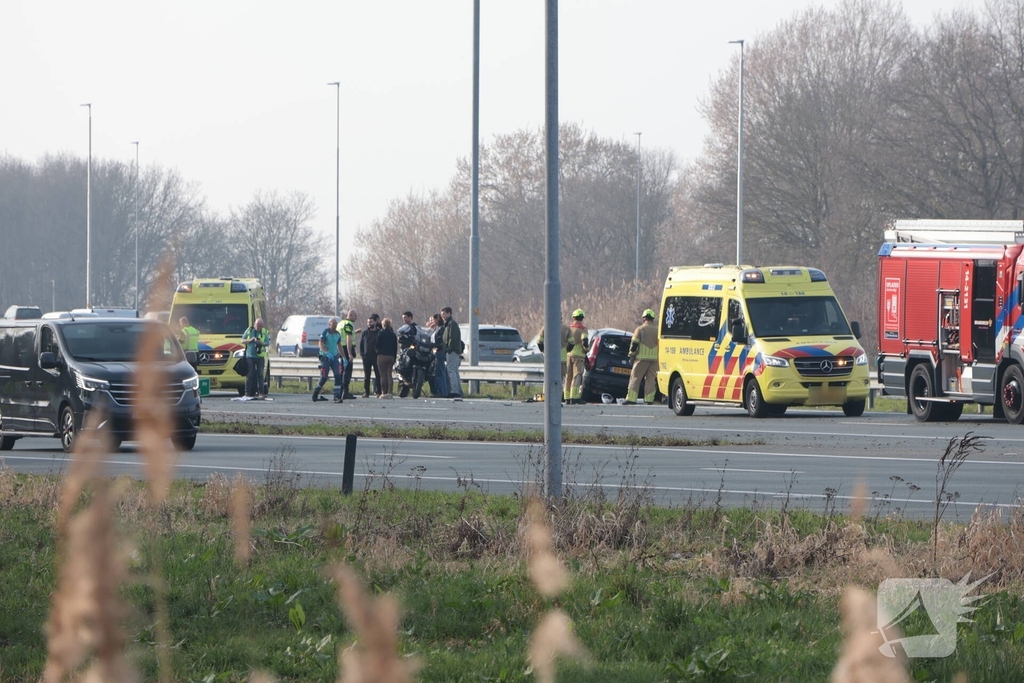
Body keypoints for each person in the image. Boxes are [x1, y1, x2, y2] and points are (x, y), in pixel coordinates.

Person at [624, 308, 659, 405]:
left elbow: (634, 344)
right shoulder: (657, 330)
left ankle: (631, 398)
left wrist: (631, 355)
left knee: (635, 378)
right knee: (651, 380)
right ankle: (649, 400)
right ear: (653, 319)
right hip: (654, 359)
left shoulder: (639, 329)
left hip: (641, 359)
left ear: (644, 318)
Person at [312, 317, 346, 403]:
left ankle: (336, 396)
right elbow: (320, 344)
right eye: (333, 323)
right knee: (324, 377)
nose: (335, 325)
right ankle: (315, 394)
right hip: (325, 357)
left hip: (334, 357)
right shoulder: (326, 332)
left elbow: (339, 346)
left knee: (338, 375)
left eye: (336, 323)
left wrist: (344, 357)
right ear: (329, 324)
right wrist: (326, 352)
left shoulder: (337, 334)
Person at [240, 318, 270, 399]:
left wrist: (260, 343)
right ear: (254, 324)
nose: (259, 328)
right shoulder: (249, 330)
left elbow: (267, 343)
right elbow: (242, 340)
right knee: (249, 374)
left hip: (260, 356)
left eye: (261, 326)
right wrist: (250, 340)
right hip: (250, 356)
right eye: (258, 326)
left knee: (260, 375)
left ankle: (261, 392)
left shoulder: (264, 332)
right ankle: (247, 393)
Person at [565, 308, 589, 404]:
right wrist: (586, 350)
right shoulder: (583, 329)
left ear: (573, 317)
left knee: (568, 376)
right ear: (582, 318)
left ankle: (566, 397)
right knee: (577, 375)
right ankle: (574, 397)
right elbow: (585, 342)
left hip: (568, 355)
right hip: (579, 356)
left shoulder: (568, 328)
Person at [537, 317, 572, 382]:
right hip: (562, 359)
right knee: (560, 379)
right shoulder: (566, 329)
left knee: (548, 379)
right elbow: (572, 343)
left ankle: (548, 389)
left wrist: (544, 351)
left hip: (549, 358)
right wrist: (566, 350)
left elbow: (539, 342)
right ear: (561, 319)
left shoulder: (545, 327)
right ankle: (558, 388)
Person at [440, 306, 463, 398]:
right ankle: (458, 391)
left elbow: (452, 338)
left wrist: (448, 349)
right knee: (454, 371)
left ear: (449, 313)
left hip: (452, 351)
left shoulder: (451, 324)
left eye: (444, 314)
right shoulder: (449, 324)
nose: (443, 316)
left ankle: (454, 391)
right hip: (453, 350)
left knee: (451, 371)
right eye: (442, 314)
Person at [375, 317, 398, 399]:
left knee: (383, 375)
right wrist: (394, 357)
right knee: (389, 374)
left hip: (382, 356)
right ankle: (390, 392)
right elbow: (395, 347)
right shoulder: (393, 334)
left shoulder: (381, 333)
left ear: (383, 325)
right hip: (391, 356)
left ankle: (383, 392)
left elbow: (377, 345)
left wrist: (377, 352)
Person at [360, 313, 381, 398]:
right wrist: (362, 354)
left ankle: (378, 392)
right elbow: (361, 344)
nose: (369, 324)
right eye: (368, 322)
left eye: (371, 322)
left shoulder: (379, 332)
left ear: (375, 322)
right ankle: (366, 392)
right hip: (366, 357)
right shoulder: (365, 333)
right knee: (367, 376)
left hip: (376, 357)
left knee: (378, 375)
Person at [427, 313, 449, 397]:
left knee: (440, 372)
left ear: (437, 319)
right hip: (435, 352)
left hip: (439, 351)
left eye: (433, 319)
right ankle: (438, 391)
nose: (432, 321)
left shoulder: (441, 329)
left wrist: (433, 345)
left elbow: (441, 341)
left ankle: (443, 392)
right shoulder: (436, 329)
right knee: (436, 372)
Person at [340, 309, 358, 399]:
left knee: (343, 370)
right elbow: (348, 338)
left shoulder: (341, 323)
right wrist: (350, 353)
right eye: (355, 316)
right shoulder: (348, 324)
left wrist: (355, 333)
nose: (356, 318)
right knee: (347, 371)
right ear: (350, 315)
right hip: (346, 349)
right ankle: (345, 391)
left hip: (340, 349)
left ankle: (340, 391)